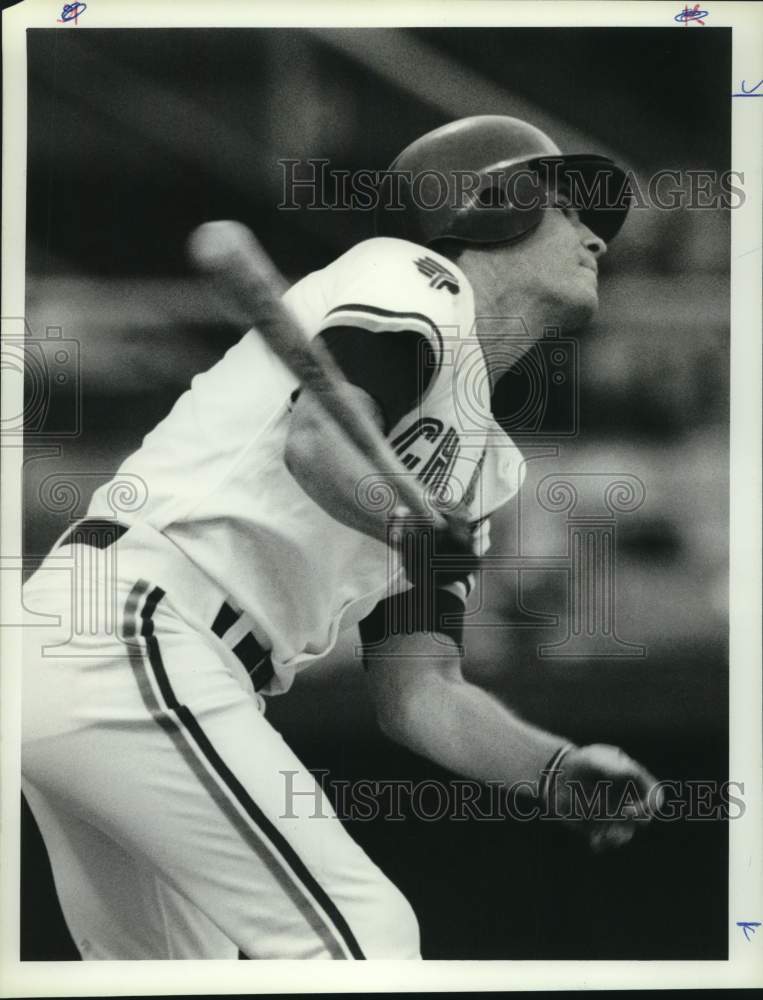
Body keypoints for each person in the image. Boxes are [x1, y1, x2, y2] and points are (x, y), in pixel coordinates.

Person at [21, 115, 659, 960]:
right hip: (136, 623)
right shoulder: (414, 276)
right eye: (567, 207)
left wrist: (550, 769)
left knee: (185, 975)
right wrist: (405, 523)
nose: (595, 236)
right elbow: (320, 440)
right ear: (491, 207)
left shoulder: (483, 465)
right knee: (364, 938)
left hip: (137, 658)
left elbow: (417, 690)